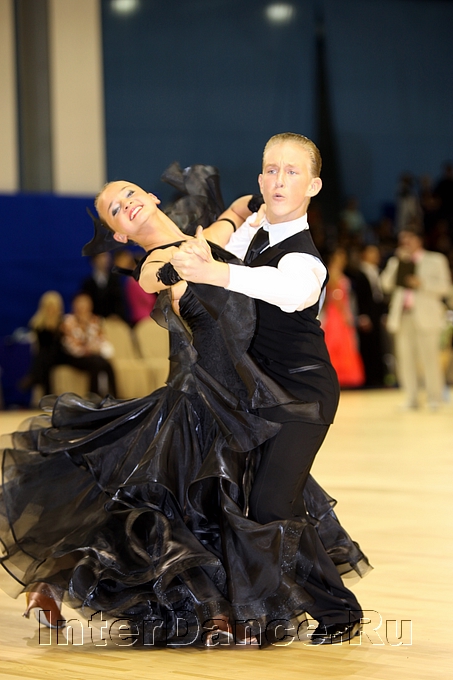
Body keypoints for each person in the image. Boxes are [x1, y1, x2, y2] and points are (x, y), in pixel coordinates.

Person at [0, 161, 369, 647]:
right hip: (199, 405)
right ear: (120, 233)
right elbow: (158, 276)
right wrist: (190, 257)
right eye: (116, 210)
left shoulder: (207, 236)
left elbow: (232, 218)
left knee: (247, 505)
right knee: (171, 510)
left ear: (151, 196)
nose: (127, 204)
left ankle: (273, 608)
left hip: (244, 400)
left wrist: (251, 206)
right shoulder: (153, 263)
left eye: (129, 193)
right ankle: (218, 608)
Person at [171, 132, 366, 644]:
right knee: (275, 504)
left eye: (292, 171)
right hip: (260, 394)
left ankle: (336, 612)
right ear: (260, 180)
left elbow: (285, 289)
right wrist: (203, 252)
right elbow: (219, 261)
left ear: (313, 186)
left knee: (271, 505)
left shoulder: (306, 258)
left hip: (303, 395)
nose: (279, 180)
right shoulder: (254, 236)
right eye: (272, 170)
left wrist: (214, 269)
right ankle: (303, 609)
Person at [380, 223, 452, 409]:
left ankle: (434, 397)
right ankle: (411, 398)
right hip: (403, 316)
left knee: (430, 359)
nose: (405, 242)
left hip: (426, 315)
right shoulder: (397, 261)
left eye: (409, 238)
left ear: (418, 240)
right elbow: (385, 284)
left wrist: (422, 283)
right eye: (402, 239)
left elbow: (445, 287)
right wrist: (397, 263)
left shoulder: (435, 260)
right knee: (405, 360)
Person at [321, 247, 365, 389]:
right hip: (336, 313)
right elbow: (336, 295)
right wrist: (345, 313)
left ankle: (344, 376)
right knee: (337, 343)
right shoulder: (333, 272)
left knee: (345, 344)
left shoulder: (337, 272)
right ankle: (338, 376)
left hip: (340, 311)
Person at [59, 291, 117, 397]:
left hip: (92, 356)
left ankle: (114, 395)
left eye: (86, 302)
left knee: (106, 364)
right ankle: (93, 396)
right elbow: (70, 346)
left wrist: (97, 348)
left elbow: (102, 340)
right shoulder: (68, 321)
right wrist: (88, 349)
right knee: (96, 363)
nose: (83, 306)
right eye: (80, 302)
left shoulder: (95, 320)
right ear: (74, 305)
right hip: (73, 357)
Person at [19, 291, 66, 395]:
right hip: (47, 357)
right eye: (49, 306)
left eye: (53, 306)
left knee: (45, 358)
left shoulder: (63, 322)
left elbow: (59, 344)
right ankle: (47, 394)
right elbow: (42, 344)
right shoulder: (37, 324)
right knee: (45, 360)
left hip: (60, 355)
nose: (51, 309)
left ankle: (34, 376)